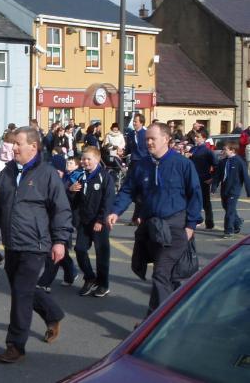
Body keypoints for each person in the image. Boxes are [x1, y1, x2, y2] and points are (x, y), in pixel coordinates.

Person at [0, 126, 72, 363]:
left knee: (20, 293)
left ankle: (15, 345)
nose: (13, 147)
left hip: (36, 244)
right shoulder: (6, 173)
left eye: (18, 144)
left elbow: (61, 210)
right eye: (12, 143)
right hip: (12, 242)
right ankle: (53, 313)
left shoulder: (47, 174)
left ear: (33, 147)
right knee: (21, 288)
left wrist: (60, 241)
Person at [107, 123, 203, 316]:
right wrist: (116, 211)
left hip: (176, 226)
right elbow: (127, 190)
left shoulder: (182, 164)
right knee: (169, 275)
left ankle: (154, 325)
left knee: (161, 274)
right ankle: (180, 313)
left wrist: (191, 226)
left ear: (166, 139)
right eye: (147, 139)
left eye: (153, 139)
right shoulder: (142, 165)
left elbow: (195, 194)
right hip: (153, 227)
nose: (148, 142)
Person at [69, 147, 115, 297]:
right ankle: (90, 277)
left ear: (97, 159)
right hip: (85, 221)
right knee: (80, 249)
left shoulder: (104, 176)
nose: (85, 162)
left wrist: (101, 220)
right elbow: (74, 201)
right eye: (83, 159)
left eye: (88, 159)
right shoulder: (81, 176)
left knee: (102, 254)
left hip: (99, 222)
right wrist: (71, 191)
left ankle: (103, 284)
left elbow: (108, 201)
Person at [37, 157, 81, 292]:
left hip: (62, 221)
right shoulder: (48, 181)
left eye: (58, 170)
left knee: (53, 252)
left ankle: (45, 282)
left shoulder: (70, 180)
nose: (55, 173)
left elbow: (68, 202)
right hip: (48, 221)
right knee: (62, 253)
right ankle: (71, 273)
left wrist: (70, 191)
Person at [212, 142, 250, 239]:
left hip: (234, 190)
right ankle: (237, 222)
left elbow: (246, 177)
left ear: (232, 150)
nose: (223, 151)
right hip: (224, 189)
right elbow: (217, 176)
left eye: (225, 149)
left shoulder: (239, 162)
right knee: (227, 208)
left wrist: (248, 191)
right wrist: (214, 187)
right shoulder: (223, 162)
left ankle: (229, 230)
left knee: (229, 210)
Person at [188, 129, 217, 230]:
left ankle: (209, 222)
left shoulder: (207, 151)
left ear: (204, 138)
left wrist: (212, 178)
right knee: (192, 199)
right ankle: (196, 219)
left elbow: (216, 165)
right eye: (195, 136)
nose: (196, 138)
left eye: (198, 137)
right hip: (192, 179)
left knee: (205, 202)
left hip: (203, 178)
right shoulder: (193, 149)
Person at [124, 113, 149, 225]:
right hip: (134, 163)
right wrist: (122, 153)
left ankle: (138, 217)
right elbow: (128, 150)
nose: (134, 123)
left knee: (141, 191)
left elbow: (149, 149)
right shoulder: (130, 134)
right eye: (133, 121)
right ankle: (138, 216)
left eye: (136, 121)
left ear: (141, 122)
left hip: (144, 163)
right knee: (132, 189)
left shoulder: (146, 134)